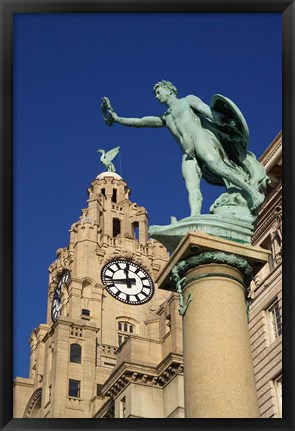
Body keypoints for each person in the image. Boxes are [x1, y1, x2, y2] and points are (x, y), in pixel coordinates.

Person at [101, 80, 266, 215]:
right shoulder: (165, 117)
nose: (157, 96)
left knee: (217, 166)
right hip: (188, 152)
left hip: (200, 138)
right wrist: (117, 119)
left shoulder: (187, 101)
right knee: (191, 184)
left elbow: (208, 111)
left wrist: (227, 123)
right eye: (156, 94)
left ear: (170, 90)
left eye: (159, 92)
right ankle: (195, 216)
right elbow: (141, 121)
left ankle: (253, 193)